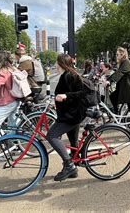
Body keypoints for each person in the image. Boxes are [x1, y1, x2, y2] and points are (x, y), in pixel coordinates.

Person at [45, 53, 88, 182]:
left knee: (51, 136)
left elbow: (82, 93)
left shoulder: (70, 76)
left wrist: (66, 96)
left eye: (57, 62)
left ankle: (69, 165)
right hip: (71, 113)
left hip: (71, 115)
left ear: (61, 63)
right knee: (73, 142)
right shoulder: (66, 75)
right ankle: (73, 170)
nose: (55, 65)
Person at [108, 47, 130, 137]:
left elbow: (120, 73)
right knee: (112, 97)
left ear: (122, 54)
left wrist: (109, 81)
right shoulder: (122, 62)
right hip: (124, 88)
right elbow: (117, 72)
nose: (116, 56)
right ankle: (118, 118)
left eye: (117, 54)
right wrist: (108, 79)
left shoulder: (126, 62)